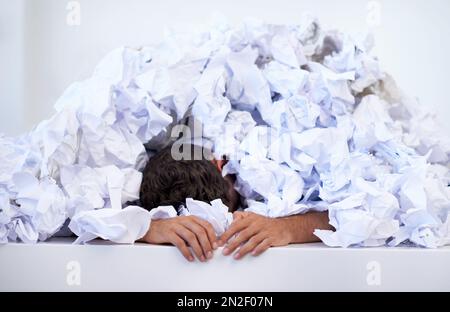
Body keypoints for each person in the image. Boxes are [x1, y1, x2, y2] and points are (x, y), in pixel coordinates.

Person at [138, 144, 333, 262]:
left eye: (226, 211)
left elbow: (350, 217)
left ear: (221, 164)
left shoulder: (261, 162)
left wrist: (285, 228)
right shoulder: (154, 200)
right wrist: (147, 228)